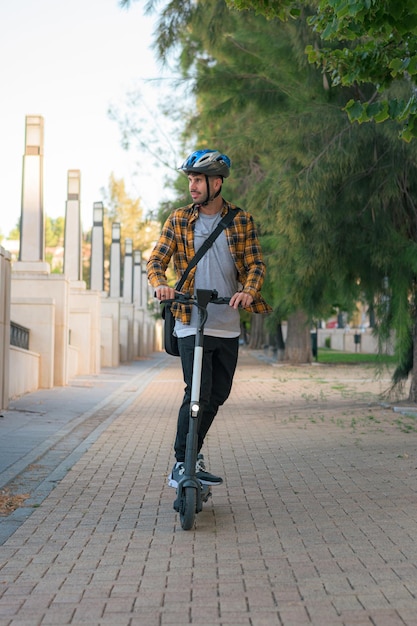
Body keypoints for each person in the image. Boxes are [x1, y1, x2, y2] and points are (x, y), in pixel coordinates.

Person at [147, 149, 271, 488]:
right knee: (197, 392)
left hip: (227, 323)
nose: (192, 186)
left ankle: (192, 455)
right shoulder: (178, 219)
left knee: (217, 394)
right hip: (190, 319)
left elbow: (256, 264)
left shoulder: (241, 220)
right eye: (190, 180)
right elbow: (156, 261)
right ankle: (181, 462)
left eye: (198, 180)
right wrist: (161, 286)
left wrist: (248, 290)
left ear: (217, 183)